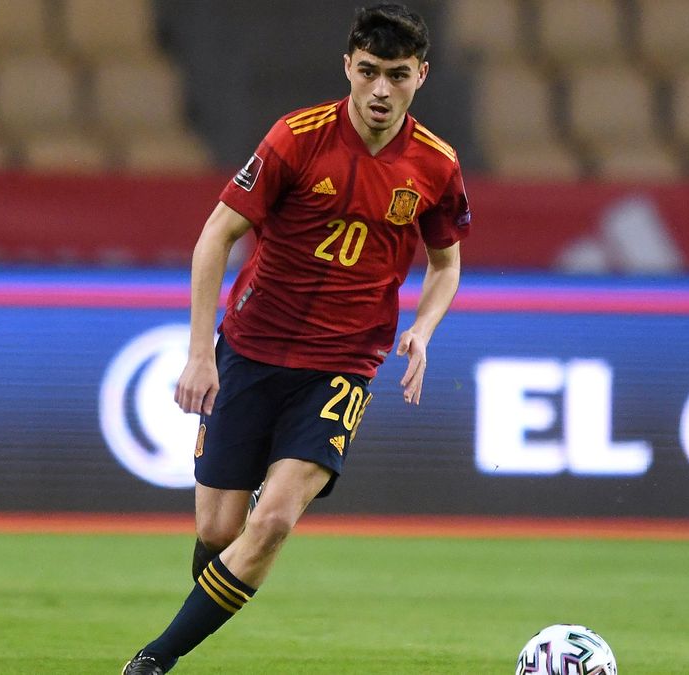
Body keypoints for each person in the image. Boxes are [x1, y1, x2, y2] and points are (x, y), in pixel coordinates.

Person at [122, 4, 469, 672]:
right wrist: (199, 353)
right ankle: (217, 590)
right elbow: (215, 235)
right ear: (348, 66)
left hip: (343, 365)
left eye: (397, 75)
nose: (380, 90)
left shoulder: (436, 164)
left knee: (274, 520)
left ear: (421, 76)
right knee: (218, 532)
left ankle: (153, 660)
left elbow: (446, 264)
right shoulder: (297, 138)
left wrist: (423, 329)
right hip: (251, 349)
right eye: (368, 71)